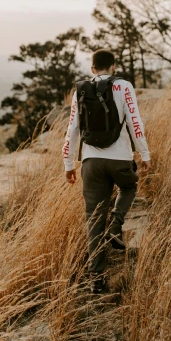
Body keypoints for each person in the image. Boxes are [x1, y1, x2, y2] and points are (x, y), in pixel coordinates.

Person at [62, 49, 151, 293]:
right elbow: (135, 121)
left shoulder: (80, 89)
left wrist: (69, 164)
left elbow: (73, 128)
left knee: (93, 218)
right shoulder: (124, 87)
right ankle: (116, 224)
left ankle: (96, 280)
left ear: (92, 69)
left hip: (91, 162)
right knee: (129, 186)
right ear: (113, 66)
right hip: (120, 158)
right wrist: (144, 154)